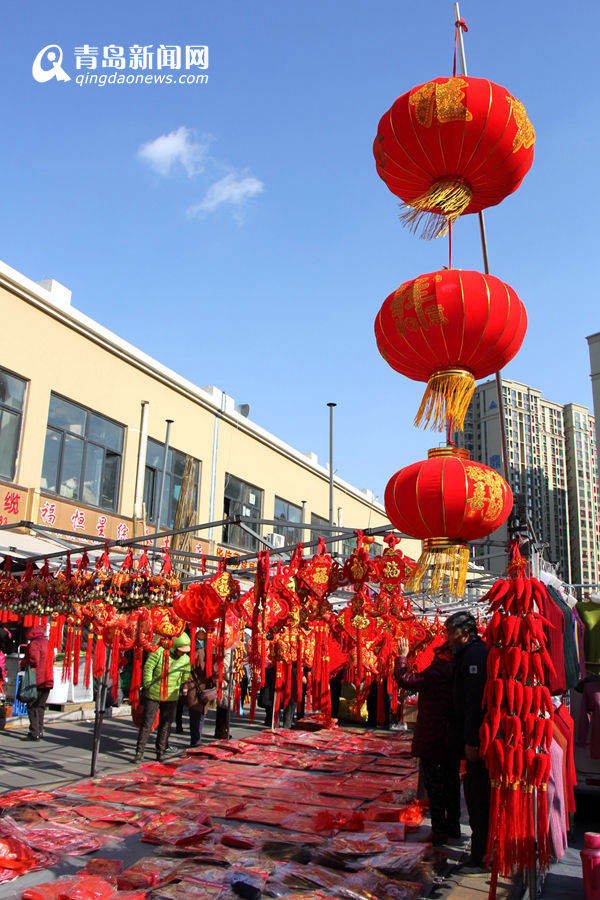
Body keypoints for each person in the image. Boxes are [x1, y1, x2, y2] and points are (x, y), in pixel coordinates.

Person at [394, 636, 461, 845]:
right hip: (453, 736)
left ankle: (440, 829)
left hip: (433, 736)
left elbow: (405, 680)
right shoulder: (457, 670)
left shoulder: (437, 672)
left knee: (435, 784)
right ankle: (453, 826)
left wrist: (402, 659)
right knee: (451, 782)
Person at [444, 610, 490, 870]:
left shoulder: (474, 656)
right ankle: (481, 848)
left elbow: (474, 703)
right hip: (473, 737)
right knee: (475, 795)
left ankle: (480, 852)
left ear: (464, 633)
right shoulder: (470, 654)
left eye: (450, 633)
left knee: (478, 797)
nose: (448, 638)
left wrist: (472, 740)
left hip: (478, 741)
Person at [134, 633, 191, 763]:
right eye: (180, 650)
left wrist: (179, 685)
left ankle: (160, 752)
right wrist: (148, 683)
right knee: (147, 723)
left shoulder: (185, 660)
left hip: (171, 695)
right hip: (153, 693)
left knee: (166, 724)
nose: (182, 653)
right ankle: (139, 751)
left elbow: (185, 675)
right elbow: (148, 668)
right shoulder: (159, 652)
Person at [20, 625, 54, 741]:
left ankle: (34, 733)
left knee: (32, 705)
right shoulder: (48, 642)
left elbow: (34, 660)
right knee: (41, 706)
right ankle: (40, 730)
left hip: (37, 680)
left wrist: (24, 663)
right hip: (48, 679)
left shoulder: (35, 644)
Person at [181, 645, 215, 748]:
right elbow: (188, 671)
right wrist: (186, 686)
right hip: (195, 689)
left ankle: (197, 738)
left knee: (201, 715)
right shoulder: (198, 655)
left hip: (204, 690)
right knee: (196, 714)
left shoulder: (214, 656)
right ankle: (195, 739)